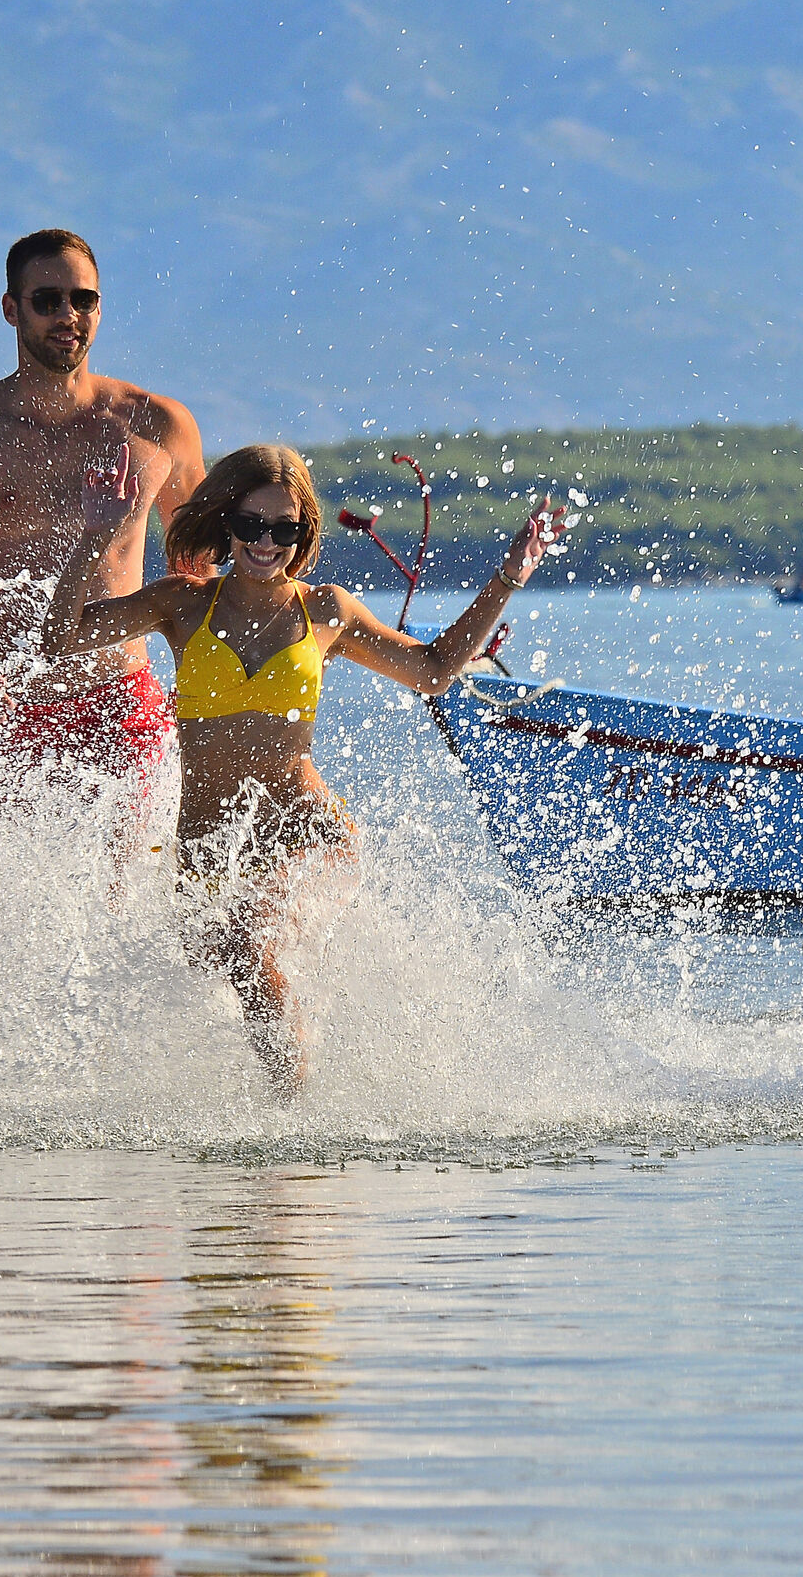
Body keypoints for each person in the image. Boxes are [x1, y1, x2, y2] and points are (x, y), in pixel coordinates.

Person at [48, 441, 561, 1093]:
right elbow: (56, 641)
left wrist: (510, 576)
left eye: (283, 529)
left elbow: (432, 672)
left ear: (304, 532)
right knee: (222, 975)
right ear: (227, 523)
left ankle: (291, 1136)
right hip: (207, 846)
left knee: (248, 949)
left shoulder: (326, 612)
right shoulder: (182, 603)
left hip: (306, 831)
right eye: (252, 525)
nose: (267, 542)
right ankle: (281, 1121)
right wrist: (96, 536)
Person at [0, 228, 206, 846]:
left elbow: (201, 573)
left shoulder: (158, 427)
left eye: (83, 300)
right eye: (47, 300)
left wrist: (213, 692)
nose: (68, 316)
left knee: (121, 903)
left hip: (122, 703)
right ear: (11, 309)